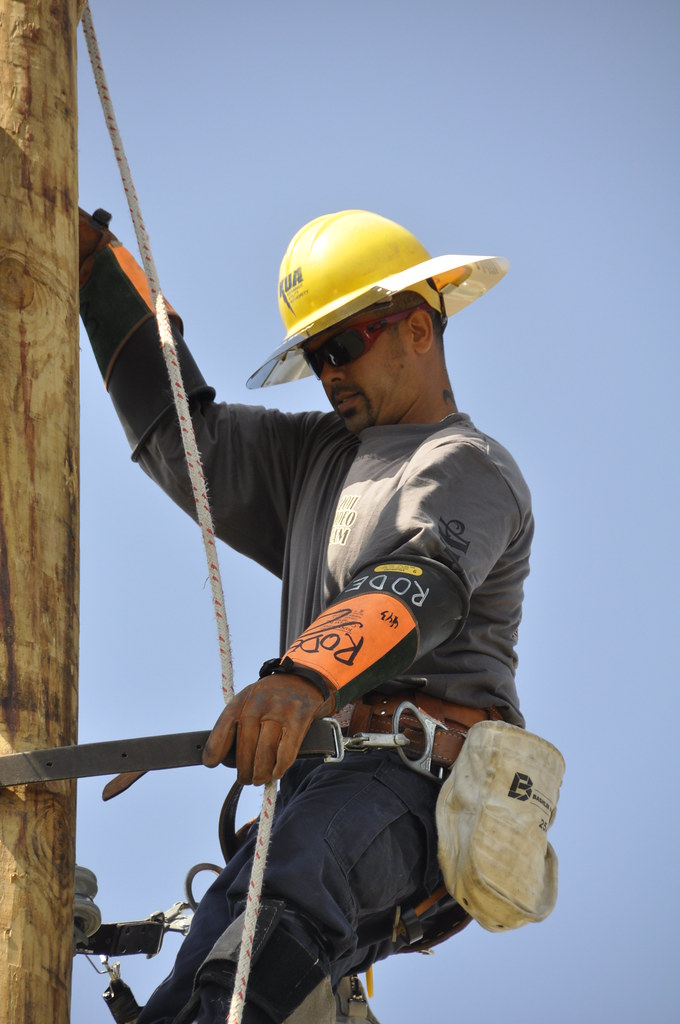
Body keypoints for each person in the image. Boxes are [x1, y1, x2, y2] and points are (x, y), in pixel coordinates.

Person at [79, 208, 533, 1024]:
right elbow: (183, 435)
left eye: (345, 346)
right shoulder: (319, 459)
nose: (329, 373)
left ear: (419, 327)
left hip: (411, 790)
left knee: (282, 892)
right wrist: (95, 272)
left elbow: (414, 586)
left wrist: (300, 681)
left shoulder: (463, 465)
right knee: (203, 968)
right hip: (314, 795)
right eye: (316, 355)